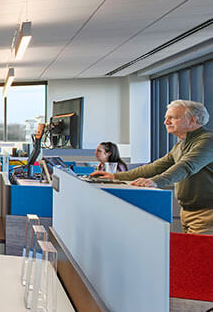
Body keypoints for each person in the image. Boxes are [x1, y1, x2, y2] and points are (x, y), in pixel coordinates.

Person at [91, 99, 213, 234]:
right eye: (166, 118)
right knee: (191, 253)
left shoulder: (207, 141)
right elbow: (154, 167)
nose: (166, 122)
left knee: (201, 254)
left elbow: (187, 166)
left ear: (192, 120)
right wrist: (115, 176)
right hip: (188, 211)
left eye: (172, 118)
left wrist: (155, 182)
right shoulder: (181, 145)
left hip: (207, 213)